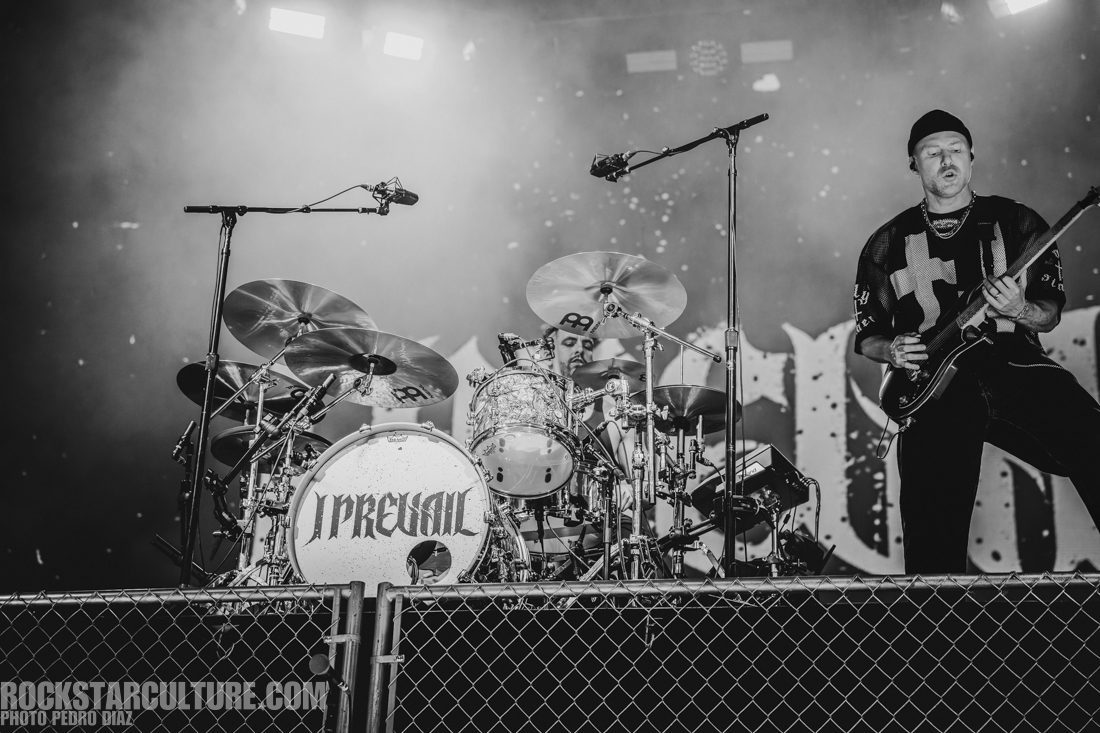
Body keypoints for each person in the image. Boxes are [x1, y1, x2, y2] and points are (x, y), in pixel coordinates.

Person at [852, 109, 1100, 574]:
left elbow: (1048, 313)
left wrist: (1018, 310)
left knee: (1093, 437)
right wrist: (892, 349)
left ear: (971, 158)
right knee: (932, 527)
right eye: (932, 153)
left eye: (956, 150)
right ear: (914, 164)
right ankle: (935, 635)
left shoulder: (1019, 221)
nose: (946, 161)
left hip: (1015, 365)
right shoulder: (885, 243)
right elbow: (867, 335)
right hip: (934, 386)